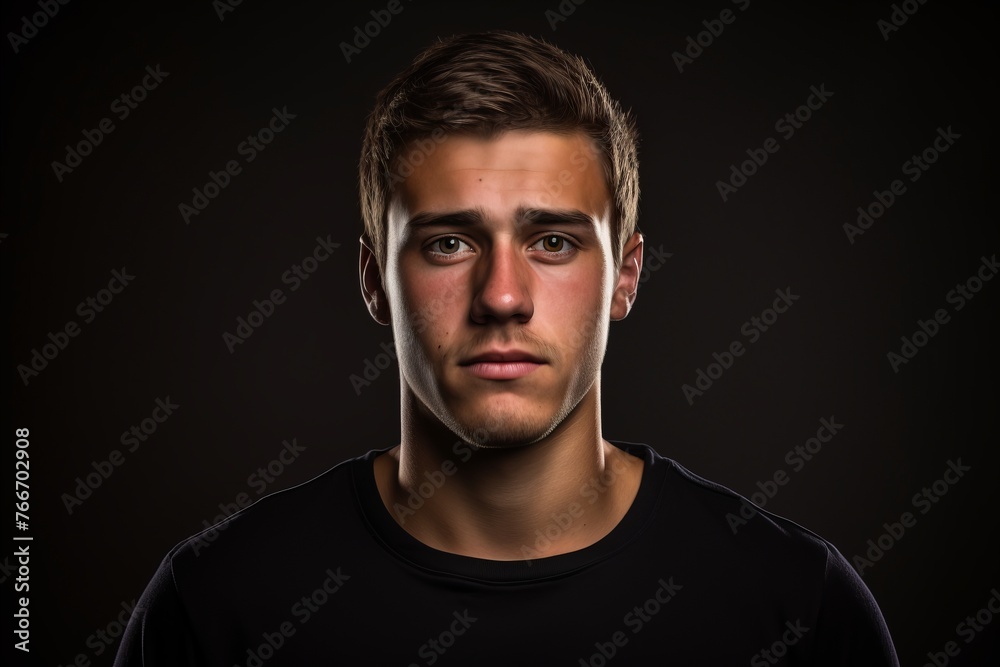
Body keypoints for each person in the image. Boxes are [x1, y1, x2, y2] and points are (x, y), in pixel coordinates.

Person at [115, 31, 899, 665]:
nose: (501, 295)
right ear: (373, 281)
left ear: (625, 276)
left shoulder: (797, 605)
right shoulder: (219, 605)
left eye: (552, 240)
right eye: (450, 242)